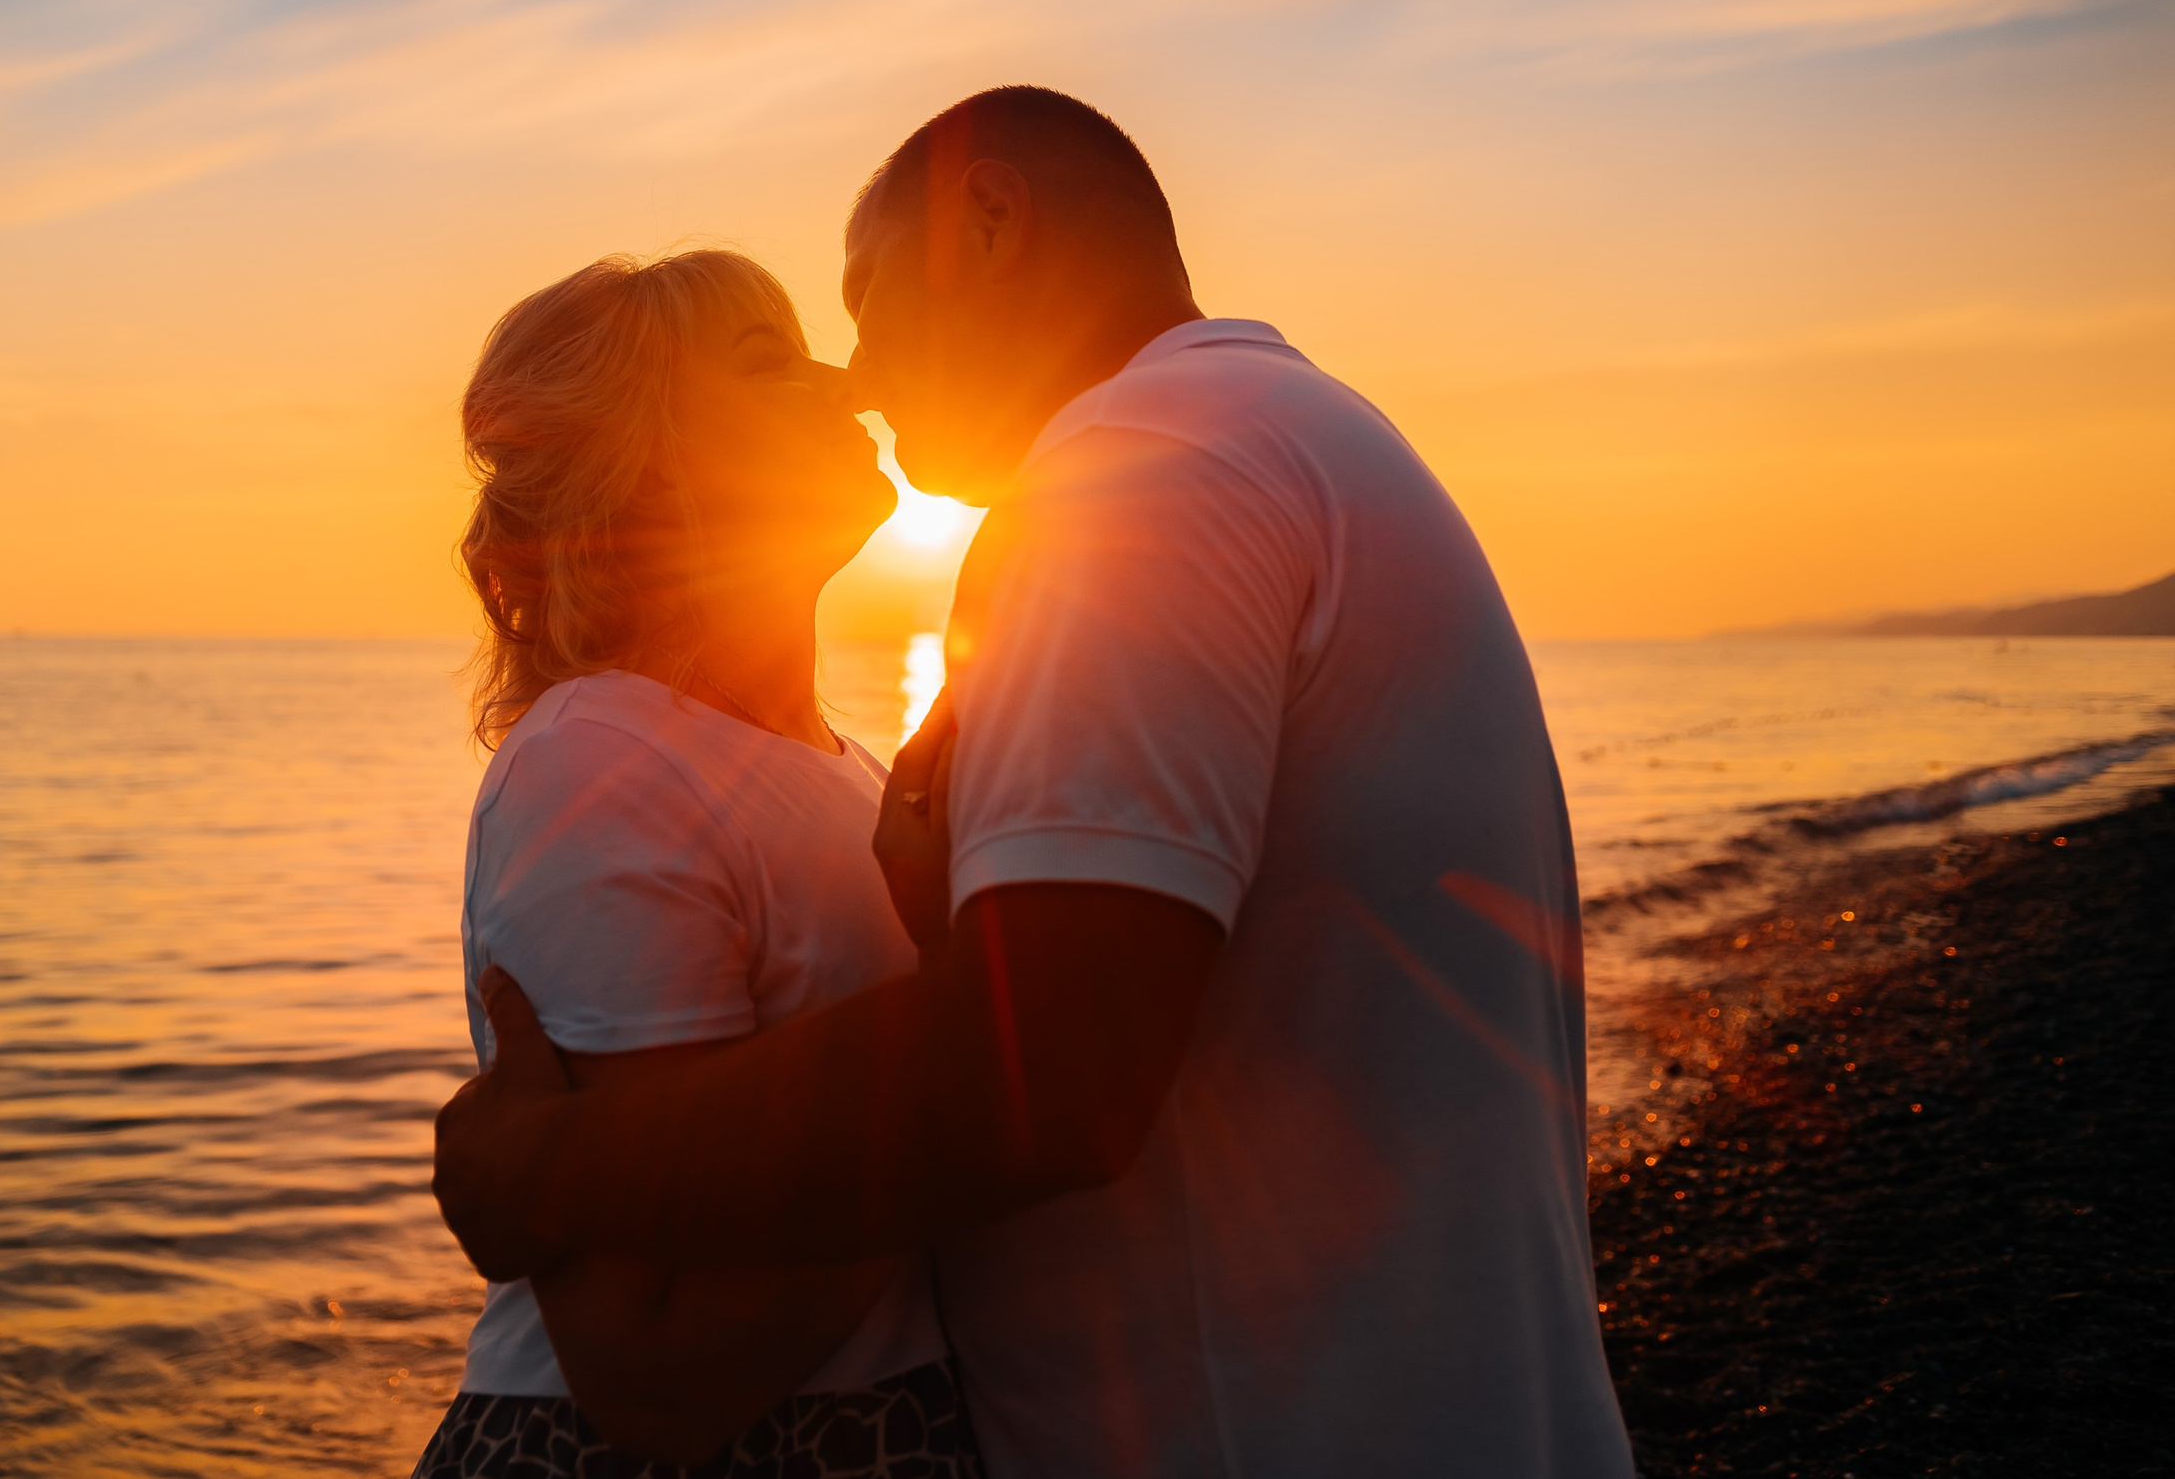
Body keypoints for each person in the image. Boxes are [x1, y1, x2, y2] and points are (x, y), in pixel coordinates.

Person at [436, 88, 1635, 1476]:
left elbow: (1051, 1066)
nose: (857, 372)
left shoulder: (1147, 470)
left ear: (991, 222)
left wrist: (549, 1165)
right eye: (787, 353)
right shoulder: (1260, 437)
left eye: (867, 301)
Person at [411, 250, 983, 1477]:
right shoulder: (604, 762)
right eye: (767, 359)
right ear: (652, 462)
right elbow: (653, 1369)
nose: (843, 381)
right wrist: (988, 1096)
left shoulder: (848, 768)